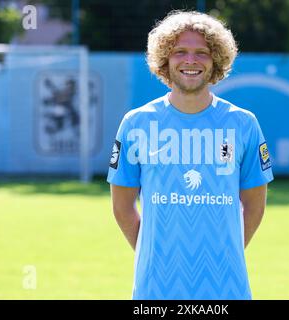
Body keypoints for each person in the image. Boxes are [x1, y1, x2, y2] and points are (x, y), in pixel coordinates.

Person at [107, 10, 274, 300]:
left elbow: (255, 206)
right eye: (180, 52)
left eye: (202, 53)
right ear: (165, 60)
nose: (190, 61)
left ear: (217, 60)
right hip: (155, 291)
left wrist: (227, 255)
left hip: (227, 290)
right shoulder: (136, 124)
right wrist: (154, 257)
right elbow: (122, 207)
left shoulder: (244, 124)